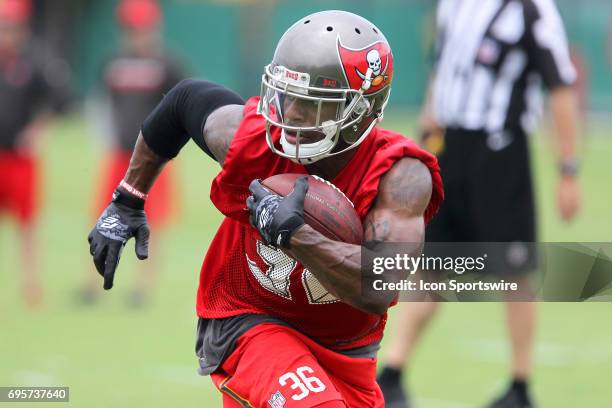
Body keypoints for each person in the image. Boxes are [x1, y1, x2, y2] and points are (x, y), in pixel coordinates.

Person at [87, 10, 444, 407]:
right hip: (246, 316)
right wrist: (127, 198)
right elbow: (182, 101)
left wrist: (296, 235)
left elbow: (380, 284)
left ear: (359, 111)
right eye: (286, 95)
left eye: (311, 104)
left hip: (346, 351)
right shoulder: (255, 140)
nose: (289, 115)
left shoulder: (400, 177)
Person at [377, 1, 581, 407]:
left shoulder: (531, 9)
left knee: (516, 269)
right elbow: (445, 67)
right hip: (452, 146)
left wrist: (568, 168)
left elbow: (559, 84)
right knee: (434, 262)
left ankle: (520, 386)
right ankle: (392, 374)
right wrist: (427, 127)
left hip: (500, 149)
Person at [79, 0, 186, 307]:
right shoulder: (113, 63)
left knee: (152, 221)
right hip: (118, 155)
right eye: (131, 29)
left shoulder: (168, 65)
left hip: (154, 157)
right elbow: (100, 104)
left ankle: (143, 286)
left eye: (142, 29)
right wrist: (102, 137)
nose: (137, 36)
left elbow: (182, 107)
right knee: (103, 214)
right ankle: (92, 280)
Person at [0, 0, 69, 307]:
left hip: (20, 158)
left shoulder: (35, 60)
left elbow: (60, 99)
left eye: (9, 27)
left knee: (27, 225)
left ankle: (31, 284)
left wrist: (38, 129)